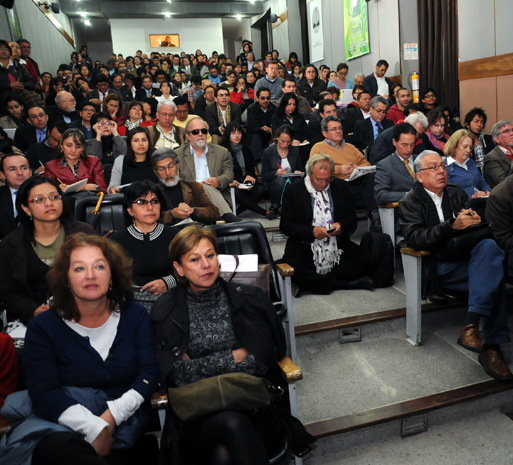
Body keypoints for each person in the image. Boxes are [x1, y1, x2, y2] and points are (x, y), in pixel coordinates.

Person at [151, 226, 306, 464]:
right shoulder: (167, 309)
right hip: (195, 415)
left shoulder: (249, 299)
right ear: (179, 268)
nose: (206, 264)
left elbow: (263, 360)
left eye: (210, 255)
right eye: (194, 259)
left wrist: (200, 366)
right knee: (230, 426)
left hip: (251, 405)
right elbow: (175, 375)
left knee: (224, 452)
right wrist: (234, 357)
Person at [17, 233, 158, 464]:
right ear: (66, 279)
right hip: (64, 423)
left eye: (99, 266)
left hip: (126, 423)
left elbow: (149, 375)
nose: (91, 276)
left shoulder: (135, 315)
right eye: (79, 268)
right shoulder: (43, 327)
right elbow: (44, 392)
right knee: (55, 450)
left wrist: (110, 418)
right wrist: (93, 426)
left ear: (112, 274)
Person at [398, 151, 512, 380]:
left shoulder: (456, 192)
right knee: (494, 274)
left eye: (442, 166)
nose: (442, 171)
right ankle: (490, 346)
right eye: (434, 167)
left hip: (468, 259)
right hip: (440, 267)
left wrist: (473, 221)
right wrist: (451, 226)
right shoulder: (410, 201)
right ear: (419, 176)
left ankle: (472, 328)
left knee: (489, 248)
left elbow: (469, 229)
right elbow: (416, 238)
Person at [0, 176, 94, 324]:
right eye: (39, 200)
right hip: (35, 319)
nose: (49, 203)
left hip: (84, 313)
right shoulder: (11, 244)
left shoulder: (84, 233)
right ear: (26, 208)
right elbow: (9, 292)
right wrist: (33, 310)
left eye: (54, 197)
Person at [281, 154, 373, 294]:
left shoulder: (341, 187)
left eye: (327, 180)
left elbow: (352, 220)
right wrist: (311, 232)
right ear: (309, 174)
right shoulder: (294, 190)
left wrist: (341, 226)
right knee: (293, 267)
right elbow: (286, 225)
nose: (323, 184)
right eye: (319, 180)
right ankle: (343, 283)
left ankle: (315, 283)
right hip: (304, 245)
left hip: (337, 245)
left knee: (365, 260)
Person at [310, 115, 380, 229]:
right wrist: (338, 169)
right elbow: (314, 169)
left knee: (371, 177)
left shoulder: (350, 147)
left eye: (340, 128)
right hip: (334, 185)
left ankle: (375, 216)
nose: (338, 131)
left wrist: (356, 168)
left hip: (355, 182)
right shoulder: (318, 148)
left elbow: (366, 163)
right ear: (325, 133)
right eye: (334, 129)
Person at [110, 181, 178, 296]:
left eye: (155, 201)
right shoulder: (116, 241)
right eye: (141, 202)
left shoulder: (176, 236)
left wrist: (167, 282)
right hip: (130, 301)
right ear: (130, 210)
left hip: (171, 298)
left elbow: (190, 271)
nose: (150, 207)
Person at [152, 148, 222, 225]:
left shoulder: (194, 187)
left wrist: (192, 211)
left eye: (171, 166)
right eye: (162, 169)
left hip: (195, 232)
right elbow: (150, 217)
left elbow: (214, 213)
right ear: (155, 172)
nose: (168, 173)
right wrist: (172, 214)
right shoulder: (152, 192)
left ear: (178, 165)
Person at [220, 121, 271, 218]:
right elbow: (224, 171)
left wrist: (250, 175)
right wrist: (233, 180)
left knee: (260, 189)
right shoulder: (223, 150)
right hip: (232, 183)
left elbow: (251, 167)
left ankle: (236, 212)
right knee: (236, 192)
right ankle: (264, 212)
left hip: (244, 182)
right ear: (228, 134)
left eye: (239, 132)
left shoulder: (246, 148)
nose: (237, 136)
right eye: (233, 133)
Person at [44, 128, 107, 194]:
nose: (73, 150)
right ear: (61, 146)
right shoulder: (51, 166)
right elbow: (47, 193)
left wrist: (96, 187)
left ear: (83, 148)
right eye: (69, 146)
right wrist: (57, 189)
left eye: (78, 147)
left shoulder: (93, 161)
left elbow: (104, 190)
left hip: (90, 201)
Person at [261, 125, 304, 216]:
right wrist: (275, 173)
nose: (285, 144)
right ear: (277, 138)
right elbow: (264, 174)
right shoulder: (268, 152)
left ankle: (296, 208)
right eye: (282, 141)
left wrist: (298, 172)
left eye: (288, 142)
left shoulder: (295, 151)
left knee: (299, 182)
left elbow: (300, 168)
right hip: (274, 181)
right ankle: (275, 206)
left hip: (291, 179)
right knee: (280, 180)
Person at [374, 123, 418, 206]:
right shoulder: (385, 165)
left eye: (412, 144)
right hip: (404, 211)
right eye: (404, 145)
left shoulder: (421, 160)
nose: (409, 149)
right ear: (394, 142)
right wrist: (410, 195)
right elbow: (381, 196)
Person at [108, 127, 158, 192]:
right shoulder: (120, 160)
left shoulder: (157, 159)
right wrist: (111, 190)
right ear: (130, 144)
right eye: (136, 140)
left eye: (144, 140)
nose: (141, 144)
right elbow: (111, 187)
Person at [444, 129, 491, 199]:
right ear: (454, 146)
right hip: (463, 205)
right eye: (465, 147)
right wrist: (471, 197)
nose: (468, 150)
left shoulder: (471, 162)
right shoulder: (445, 166)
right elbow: (449, 193)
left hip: (480, 200)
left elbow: (482, 182)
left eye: (470, 147)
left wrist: (488, 192)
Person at [0, 152, 31, 239]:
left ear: (31, 172)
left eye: (24, 168)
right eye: (12, 169)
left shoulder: (45, 194)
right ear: (2, 175)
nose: (20, 173)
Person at [483, 120, 513, 188]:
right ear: (497, 139)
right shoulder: (492, 158)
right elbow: (505, 183)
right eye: (506, 131)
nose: (512, 133)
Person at [463, 107, 495, 173]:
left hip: (490, 172)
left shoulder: (489, 139)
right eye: (476, 121)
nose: (479, 125)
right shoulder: (462, 141)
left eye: (482, 122)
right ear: (467, 124)